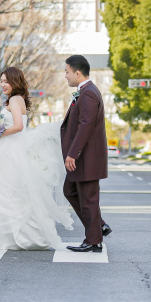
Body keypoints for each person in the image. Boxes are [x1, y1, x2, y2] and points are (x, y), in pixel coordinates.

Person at [0, 67, 73, 250]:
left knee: (10, 191)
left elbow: (18, 126)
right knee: (6, 191)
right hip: (7, 148)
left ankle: (20, 237)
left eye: (6, 81)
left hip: (11, 148)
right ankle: (8, 237)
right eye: (1, 81)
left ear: (15, 81)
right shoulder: (15, 99)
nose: (3, 84)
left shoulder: (15, 99)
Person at [60, 55, 110, 252]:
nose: (65, 76)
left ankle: (93, 240)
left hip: (86, 158)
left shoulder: (88, 93)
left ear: (78, 73)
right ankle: (98, 227)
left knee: (88, 199)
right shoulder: (85, 91)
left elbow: (85, 126)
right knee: (69, 191)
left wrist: (73, 153)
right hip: (82, 159)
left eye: (67, 72)